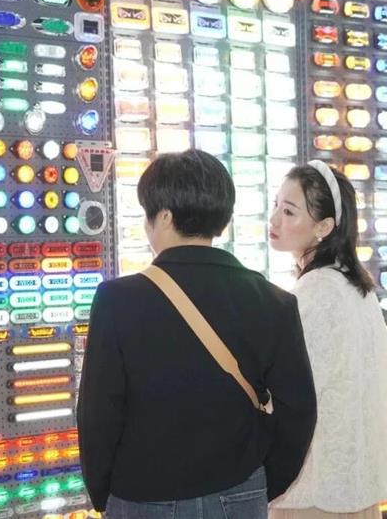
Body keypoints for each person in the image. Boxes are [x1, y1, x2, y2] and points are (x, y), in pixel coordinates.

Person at [77, 149, 317, 519]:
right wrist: (264, 481)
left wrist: (104, 494)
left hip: (142, 494)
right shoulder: (273, 301)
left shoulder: (117, 299)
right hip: (240, 490)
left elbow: (98, 415)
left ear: (164, 217)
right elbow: (299, 410)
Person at [268, 161, 387, 519]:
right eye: (275, 205)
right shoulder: (349, 282)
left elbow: (292, 394)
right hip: (349, 486)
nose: (274, 220)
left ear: (324, 226)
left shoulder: (316, 292)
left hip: (314, 493)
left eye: (289, 211)